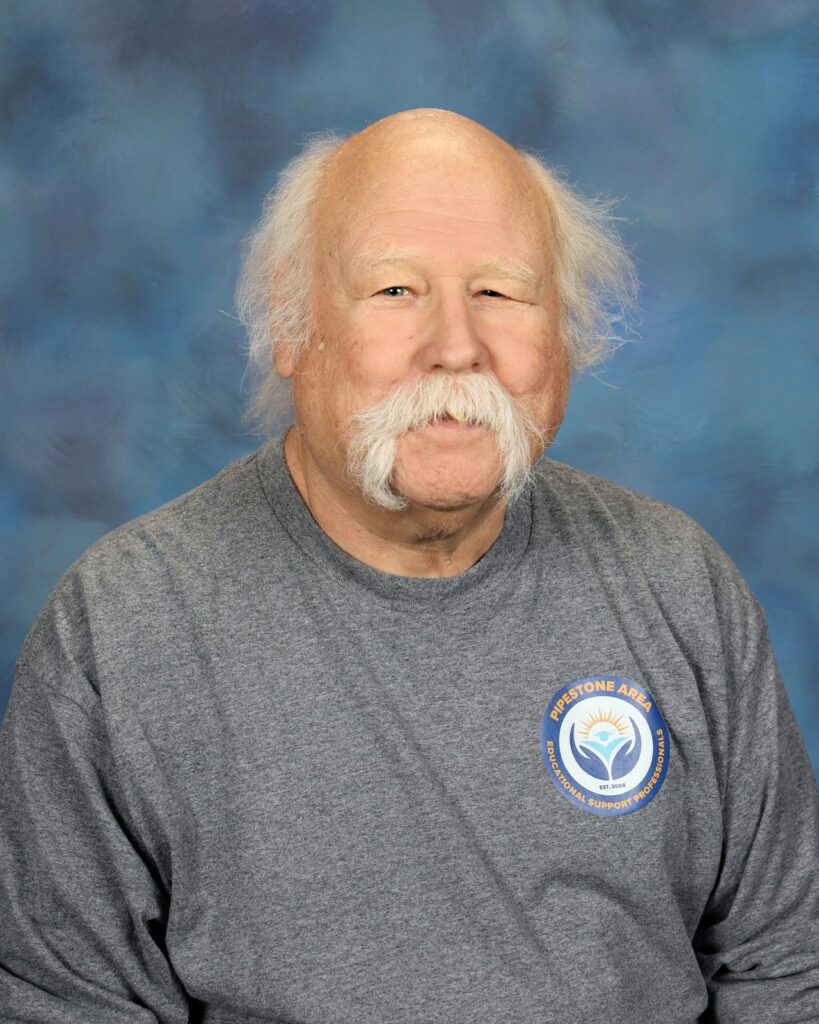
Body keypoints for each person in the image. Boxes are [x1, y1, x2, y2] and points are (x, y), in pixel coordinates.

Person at [0, 108, 816, 1024]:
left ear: (563, 337)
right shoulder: (122, 628)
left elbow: (789, 968)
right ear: (291, 324)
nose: (456, 344)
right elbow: (66, 1004)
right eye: (395, 291)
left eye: (501, 293)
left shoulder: (679, 584)